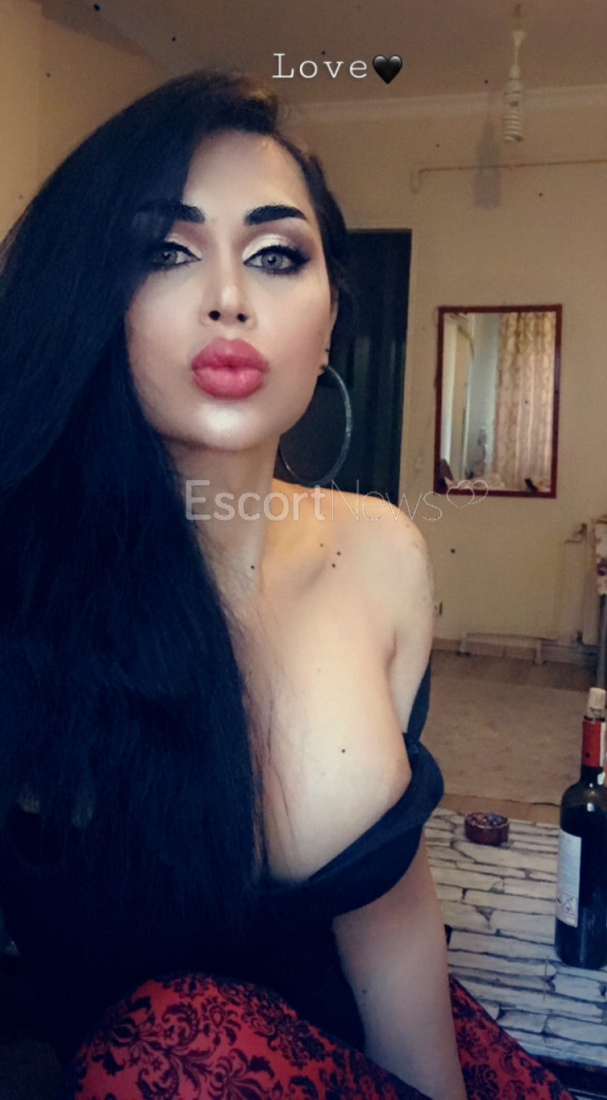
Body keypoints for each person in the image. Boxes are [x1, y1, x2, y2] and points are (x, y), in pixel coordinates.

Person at [0, 71, 574, 1100]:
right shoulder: (22, 582)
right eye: (164, 251)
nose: (230, 296)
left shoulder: (382, 551)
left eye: (276, 255)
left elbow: (387, 905)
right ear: (87, 297)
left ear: (330, 319)